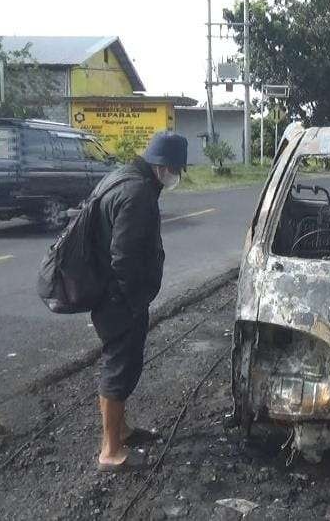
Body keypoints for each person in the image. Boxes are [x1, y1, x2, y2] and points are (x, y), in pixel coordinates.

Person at [90, 131, 187, 472]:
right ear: (163, 166)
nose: (177, 177)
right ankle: (110, 450)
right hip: (119, 297)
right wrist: (134, 300)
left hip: (109, 292)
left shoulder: (122, 177)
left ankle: (122, 430)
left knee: (122, 364)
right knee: (119, 366)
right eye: (177, 169)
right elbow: (125, 256)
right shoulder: (137, 193)